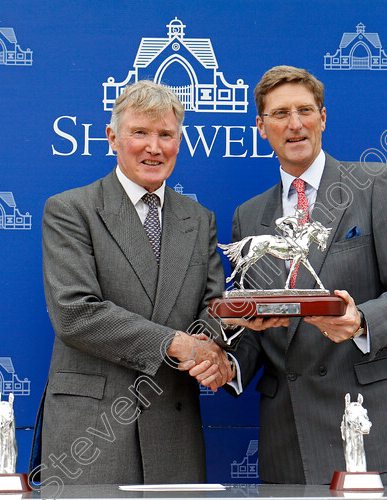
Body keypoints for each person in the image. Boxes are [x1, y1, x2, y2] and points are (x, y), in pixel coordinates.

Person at [225, 66, 387, 486]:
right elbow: (258, 325)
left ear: (323, 118)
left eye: (305, 110)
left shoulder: (376, 184)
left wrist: (361, 320)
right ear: (261, 127)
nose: (295, 123)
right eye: (280, 113)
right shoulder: (248, 216)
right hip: (290, 434)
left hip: (367, 422)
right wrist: (228, 361)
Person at [38, 80, 232, 485]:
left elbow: (212, 313)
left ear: (180, 141)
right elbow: (75, 313)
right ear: (112, 138)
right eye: (140, 132)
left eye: (166, 134)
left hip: (174, 428)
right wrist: (175, 344)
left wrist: (219, 354)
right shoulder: (71, 210)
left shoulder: (199, 220)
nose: (154, 147)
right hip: (93, 433)